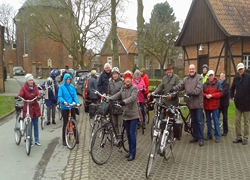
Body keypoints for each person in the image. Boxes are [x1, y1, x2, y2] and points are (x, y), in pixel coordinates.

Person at [108, 70, 138, 161]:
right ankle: (130, 151)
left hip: (133, 115)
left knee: (132, 134)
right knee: (128, 134)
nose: (127, 80)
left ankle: (133, 153)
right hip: (126, 115)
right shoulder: (123, 88)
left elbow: (132, 98)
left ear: (131, 79)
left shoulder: (134, 88)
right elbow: (117, 95)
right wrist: (108, 98)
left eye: (129, 78)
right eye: (126, 79)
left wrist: (123, 102)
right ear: (124, 80)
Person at [172, 64, 204, 146]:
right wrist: (173, 89)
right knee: (193, 121)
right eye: (190, 69)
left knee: (199, 121)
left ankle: (201, 138)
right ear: (188, 70)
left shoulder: (199, 78)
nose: (191, 70)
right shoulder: (186, 79)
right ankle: (195, 136)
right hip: (190, 104)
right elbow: (181, 86)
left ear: (195, 69)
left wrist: (191, 93)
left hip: (198, 104)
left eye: (193, 69)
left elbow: (199, 89)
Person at [18, 73, 41, 147]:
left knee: (36, 125)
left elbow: (38, 93)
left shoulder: (35, 87)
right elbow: (21, 94)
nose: (31, 82)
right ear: (27, 81)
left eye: (32, 80)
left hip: (35, 108)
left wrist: (38, 96)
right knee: (29, 126)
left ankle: (36, 140)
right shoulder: (24, 88)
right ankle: (29, 140)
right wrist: (19, 97)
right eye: (29, 80)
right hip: (27, 108)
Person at [58, 73, 80, 146]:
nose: (68, 80)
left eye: (69, 79)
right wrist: (63, 102)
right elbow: (60, 96)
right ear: (64, 80)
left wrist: (77, 103)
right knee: (65, 123)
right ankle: (64, 139)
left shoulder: (72, 87)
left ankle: (76, 137)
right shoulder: (61, 87)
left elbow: (75, 96)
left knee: (74, 122)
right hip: (65, 107)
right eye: (67, 79)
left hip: (72, 106)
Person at [230, 62, 250, 145]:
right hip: (238, 103)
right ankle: (238, 137)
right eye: (239, 69)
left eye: (241, 69)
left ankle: (245, 138)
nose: (240, 70)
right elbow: (232, 89)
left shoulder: (249, 77)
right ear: (237, 70)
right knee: (237, 121)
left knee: (246, 122)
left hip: (247, 103)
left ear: (244, 69)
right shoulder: (236, 78)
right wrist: (232, 96)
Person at [203, 70, 222, 143]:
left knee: (216, 121)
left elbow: (220, 93)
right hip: (207, 105)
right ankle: (209, 135)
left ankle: (217, 136)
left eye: (212, 75)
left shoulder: (218, 84)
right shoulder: (205, 84)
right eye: (209, 75)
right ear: (208, 76)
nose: (210, 77)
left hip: (214, 105)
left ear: (214, 76)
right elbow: (202, 93)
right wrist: (205, 95)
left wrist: (212, 95)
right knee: (208, 121)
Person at [107, 67, 124, 136]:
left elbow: (122, 94)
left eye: (116, 74)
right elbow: (108, 92)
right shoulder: (110, 82)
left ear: (118, 74)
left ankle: (120, 136)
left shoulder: (121, 83)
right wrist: (107, 96)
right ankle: (116, 136)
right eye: (113, 74)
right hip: (112, 106)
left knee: (120, 123)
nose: (115, 75)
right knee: (114, 123)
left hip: (119, 105)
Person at [218, 71, 230, 136]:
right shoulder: (218, 83)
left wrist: (218, 94)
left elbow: (224, 92)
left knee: (225, 118)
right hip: (218, 103)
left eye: (223, 76)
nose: (221, 77)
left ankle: (225, 131)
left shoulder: (227, 84)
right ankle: (217, 130)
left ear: (224, 77)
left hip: (224, 104)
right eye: (221, 76)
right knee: (217, 117)